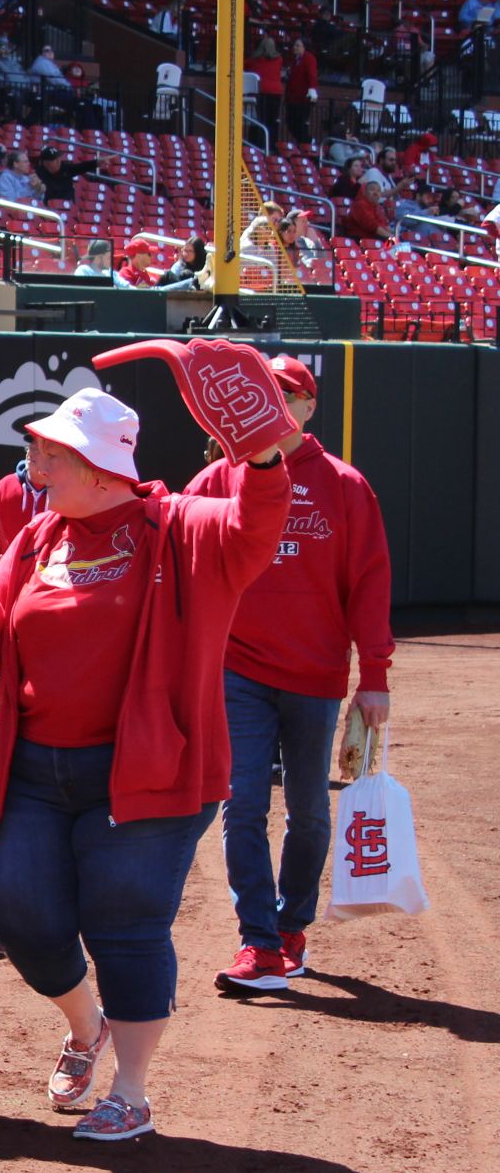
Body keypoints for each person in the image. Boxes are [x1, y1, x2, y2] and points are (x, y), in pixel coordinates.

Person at [0, 385, 290, 1140]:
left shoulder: (179, 525)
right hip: (37, 768)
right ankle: (88, 1025)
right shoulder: (39, 536)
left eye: (49, 453)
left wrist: (263, 454)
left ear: (98, 465)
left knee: (126, 921)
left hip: (145, 771)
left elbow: (256, 525)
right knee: (16, 908)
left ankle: (131, 1093)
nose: (34, 467)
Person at [185, 358, 393, 991]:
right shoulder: (219, 476)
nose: (273, 403)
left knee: (308, 811)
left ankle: (291, 925)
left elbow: (368, 583)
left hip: (315, 673)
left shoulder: (344, 485)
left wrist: (375, 674)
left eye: (286, 394)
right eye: (263, 393)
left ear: (308, 406)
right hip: (237, 670)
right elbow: (180, 551)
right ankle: (259, 941)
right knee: (241, 804)